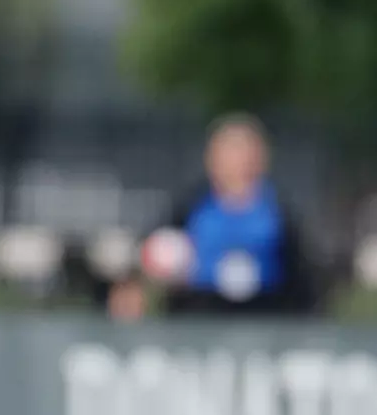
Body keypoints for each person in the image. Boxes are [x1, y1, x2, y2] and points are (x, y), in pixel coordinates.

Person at [107, 113, 321, 320]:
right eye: (228, 151)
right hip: (199, 319)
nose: (236, 162)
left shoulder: (279, 214)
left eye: (243, 152)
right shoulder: (191, 208)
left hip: (264, 320)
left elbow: (304, 278)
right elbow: (151, 253)